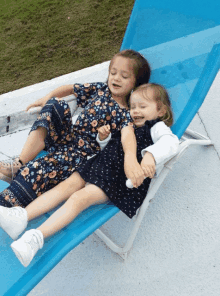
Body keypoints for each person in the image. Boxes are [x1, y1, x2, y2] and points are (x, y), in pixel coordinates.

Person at [0, 83, 179, 267]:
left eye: (143, 107)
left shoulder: (156, 127)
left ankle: (36, 238)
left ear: (161, 110)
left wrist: (150, 156)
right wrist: (104, 139)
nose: (136, 111)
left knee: (78, 198)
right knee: (66, 186)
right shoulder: (128, 123)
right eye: (133, 107)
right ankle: (21, 217)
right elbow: (111, 148)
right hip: (98, 164)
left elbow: (171, 143)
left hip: (117, 178)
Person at [0, 49, 152, 208]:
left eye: (124, 76)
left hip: (80, 156)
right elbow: (71, 88)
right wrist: (47, 97)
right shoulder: (101, 89)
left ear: (136, 83)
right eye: (113, 73)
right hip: (68, 137)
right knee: (55, 104)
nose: (116, 78)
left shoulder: (126, 114)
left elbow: (128, 138)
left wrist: (131, 159)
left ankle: (8, 203)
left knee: (37, 168)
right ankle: (19, 162)